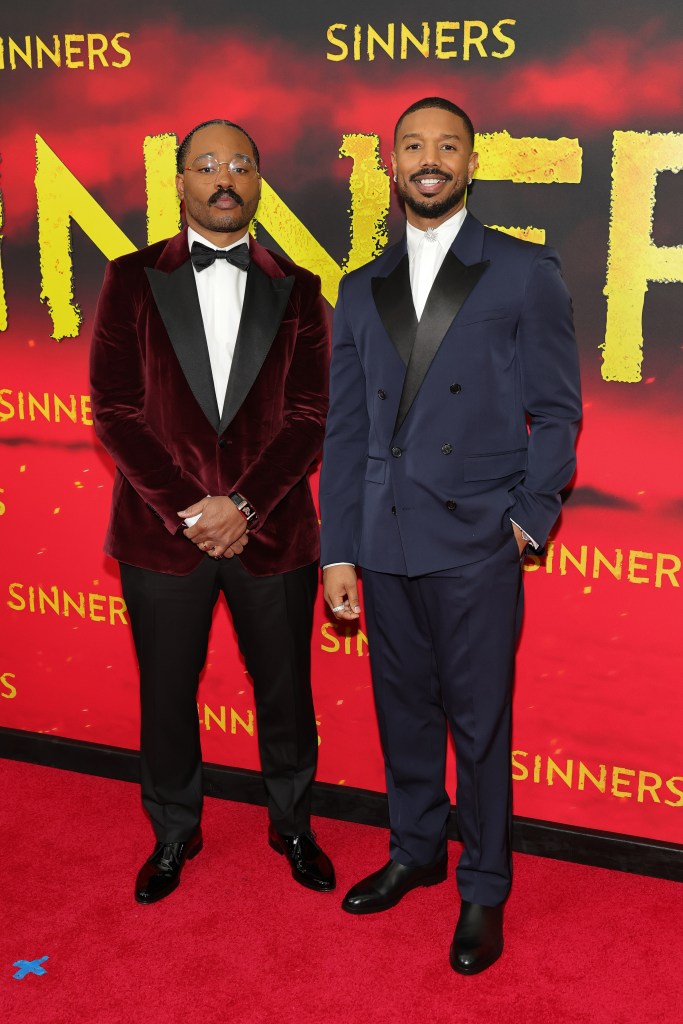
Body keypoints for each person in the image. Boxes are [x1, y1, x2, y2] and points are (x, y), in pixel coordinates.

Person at [319, 97, 581, 974]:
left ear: (471, 163)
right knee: (402, 713)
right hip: (384, 539)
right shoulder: (360, 285)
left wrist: (528, 516)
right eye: (412, 146)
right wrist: (338, 546)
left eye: (446, 146)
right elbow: (346, 431)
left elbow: (557, 410)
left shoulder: (521, 270)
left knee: (478, 726)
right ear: (390, 163)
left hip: (475, 539)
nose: (427, 159)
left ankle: (483, 886)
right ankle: (415, 849)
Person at [90, 118, 334, 904]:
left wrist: (245, 505)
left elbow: (310, 415)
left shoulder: (299, 287)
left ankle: (292, 825)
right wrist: (192, 509)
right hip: (162, 536)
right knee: (166, 692)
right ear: (180, 182)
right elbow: (116, 409)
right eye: (205, 165)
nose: (223, 179)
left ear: (257, 180)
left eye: (238, 164)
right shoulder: (130, 278)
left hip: (275, 533)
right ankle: (173, 831)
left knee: (286, 692)